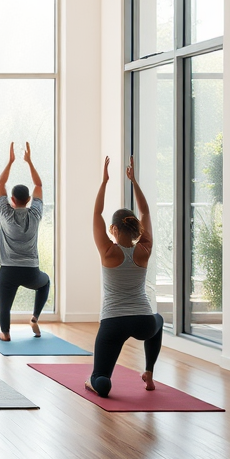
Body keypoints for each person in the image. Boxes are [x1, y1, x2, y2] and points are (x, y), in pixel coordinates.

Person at [86, 156, 164, 397]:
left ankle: (98, 383)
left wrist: (104, 182)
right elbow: (146, 211)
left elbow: (97, 212)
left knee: (100, 379)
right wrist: (134, 181)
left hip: (113, 322)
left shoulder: (108, 251)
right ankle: (149, 372)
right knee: (158, 320)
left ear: (115, 229)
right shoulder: (144, 250)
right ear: (136, 229)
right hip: (143, 321)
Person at [0, 142, 50, 342]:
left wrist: (10, 162)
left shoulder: (5, 214)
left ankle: (5, 333)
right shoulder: (35, 214)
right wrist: (29, 162)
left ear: (12, 200)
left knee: (4, 306)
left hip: (8, 271)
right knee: (45, 282)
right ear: (29, 199)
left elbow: (0, 185)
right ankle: (35, 317)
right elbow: (39, 186)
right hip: (31, 270)